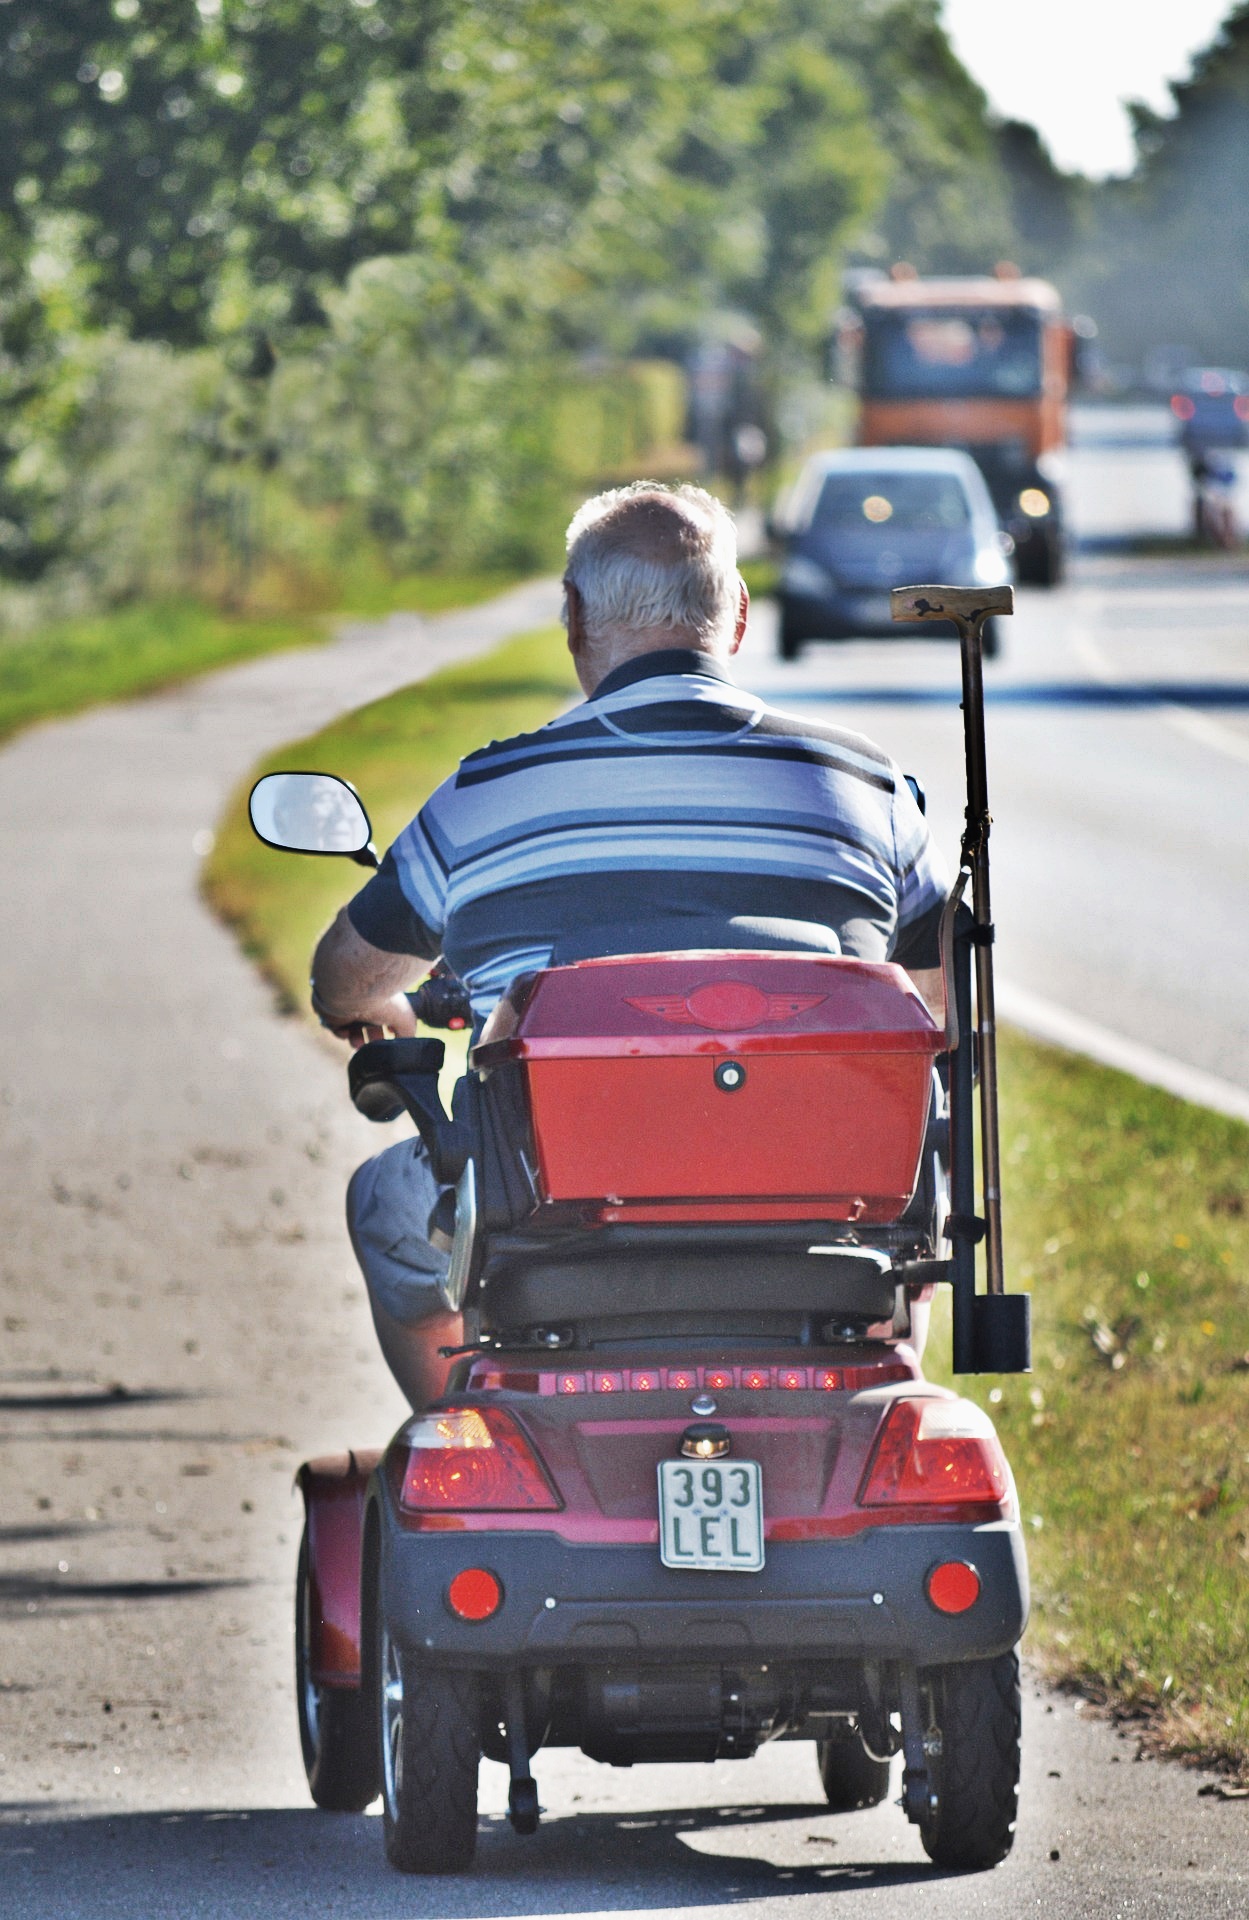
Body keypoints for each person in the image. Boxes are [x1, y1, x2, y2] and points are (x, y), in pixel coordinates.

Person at [309, 482, 949, 1406]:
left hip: (548, 1226)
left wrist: (372, 1007)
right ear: (736, 615)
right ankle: (881, 1392)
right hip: (831, 1227)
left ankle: (468, 1431)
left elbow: (344, 974)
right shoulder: (867, 785)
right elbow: (936, 1009)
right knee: (919, 1158)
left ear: (573, 618)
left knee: (383, 1202)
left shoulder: (486, 794)